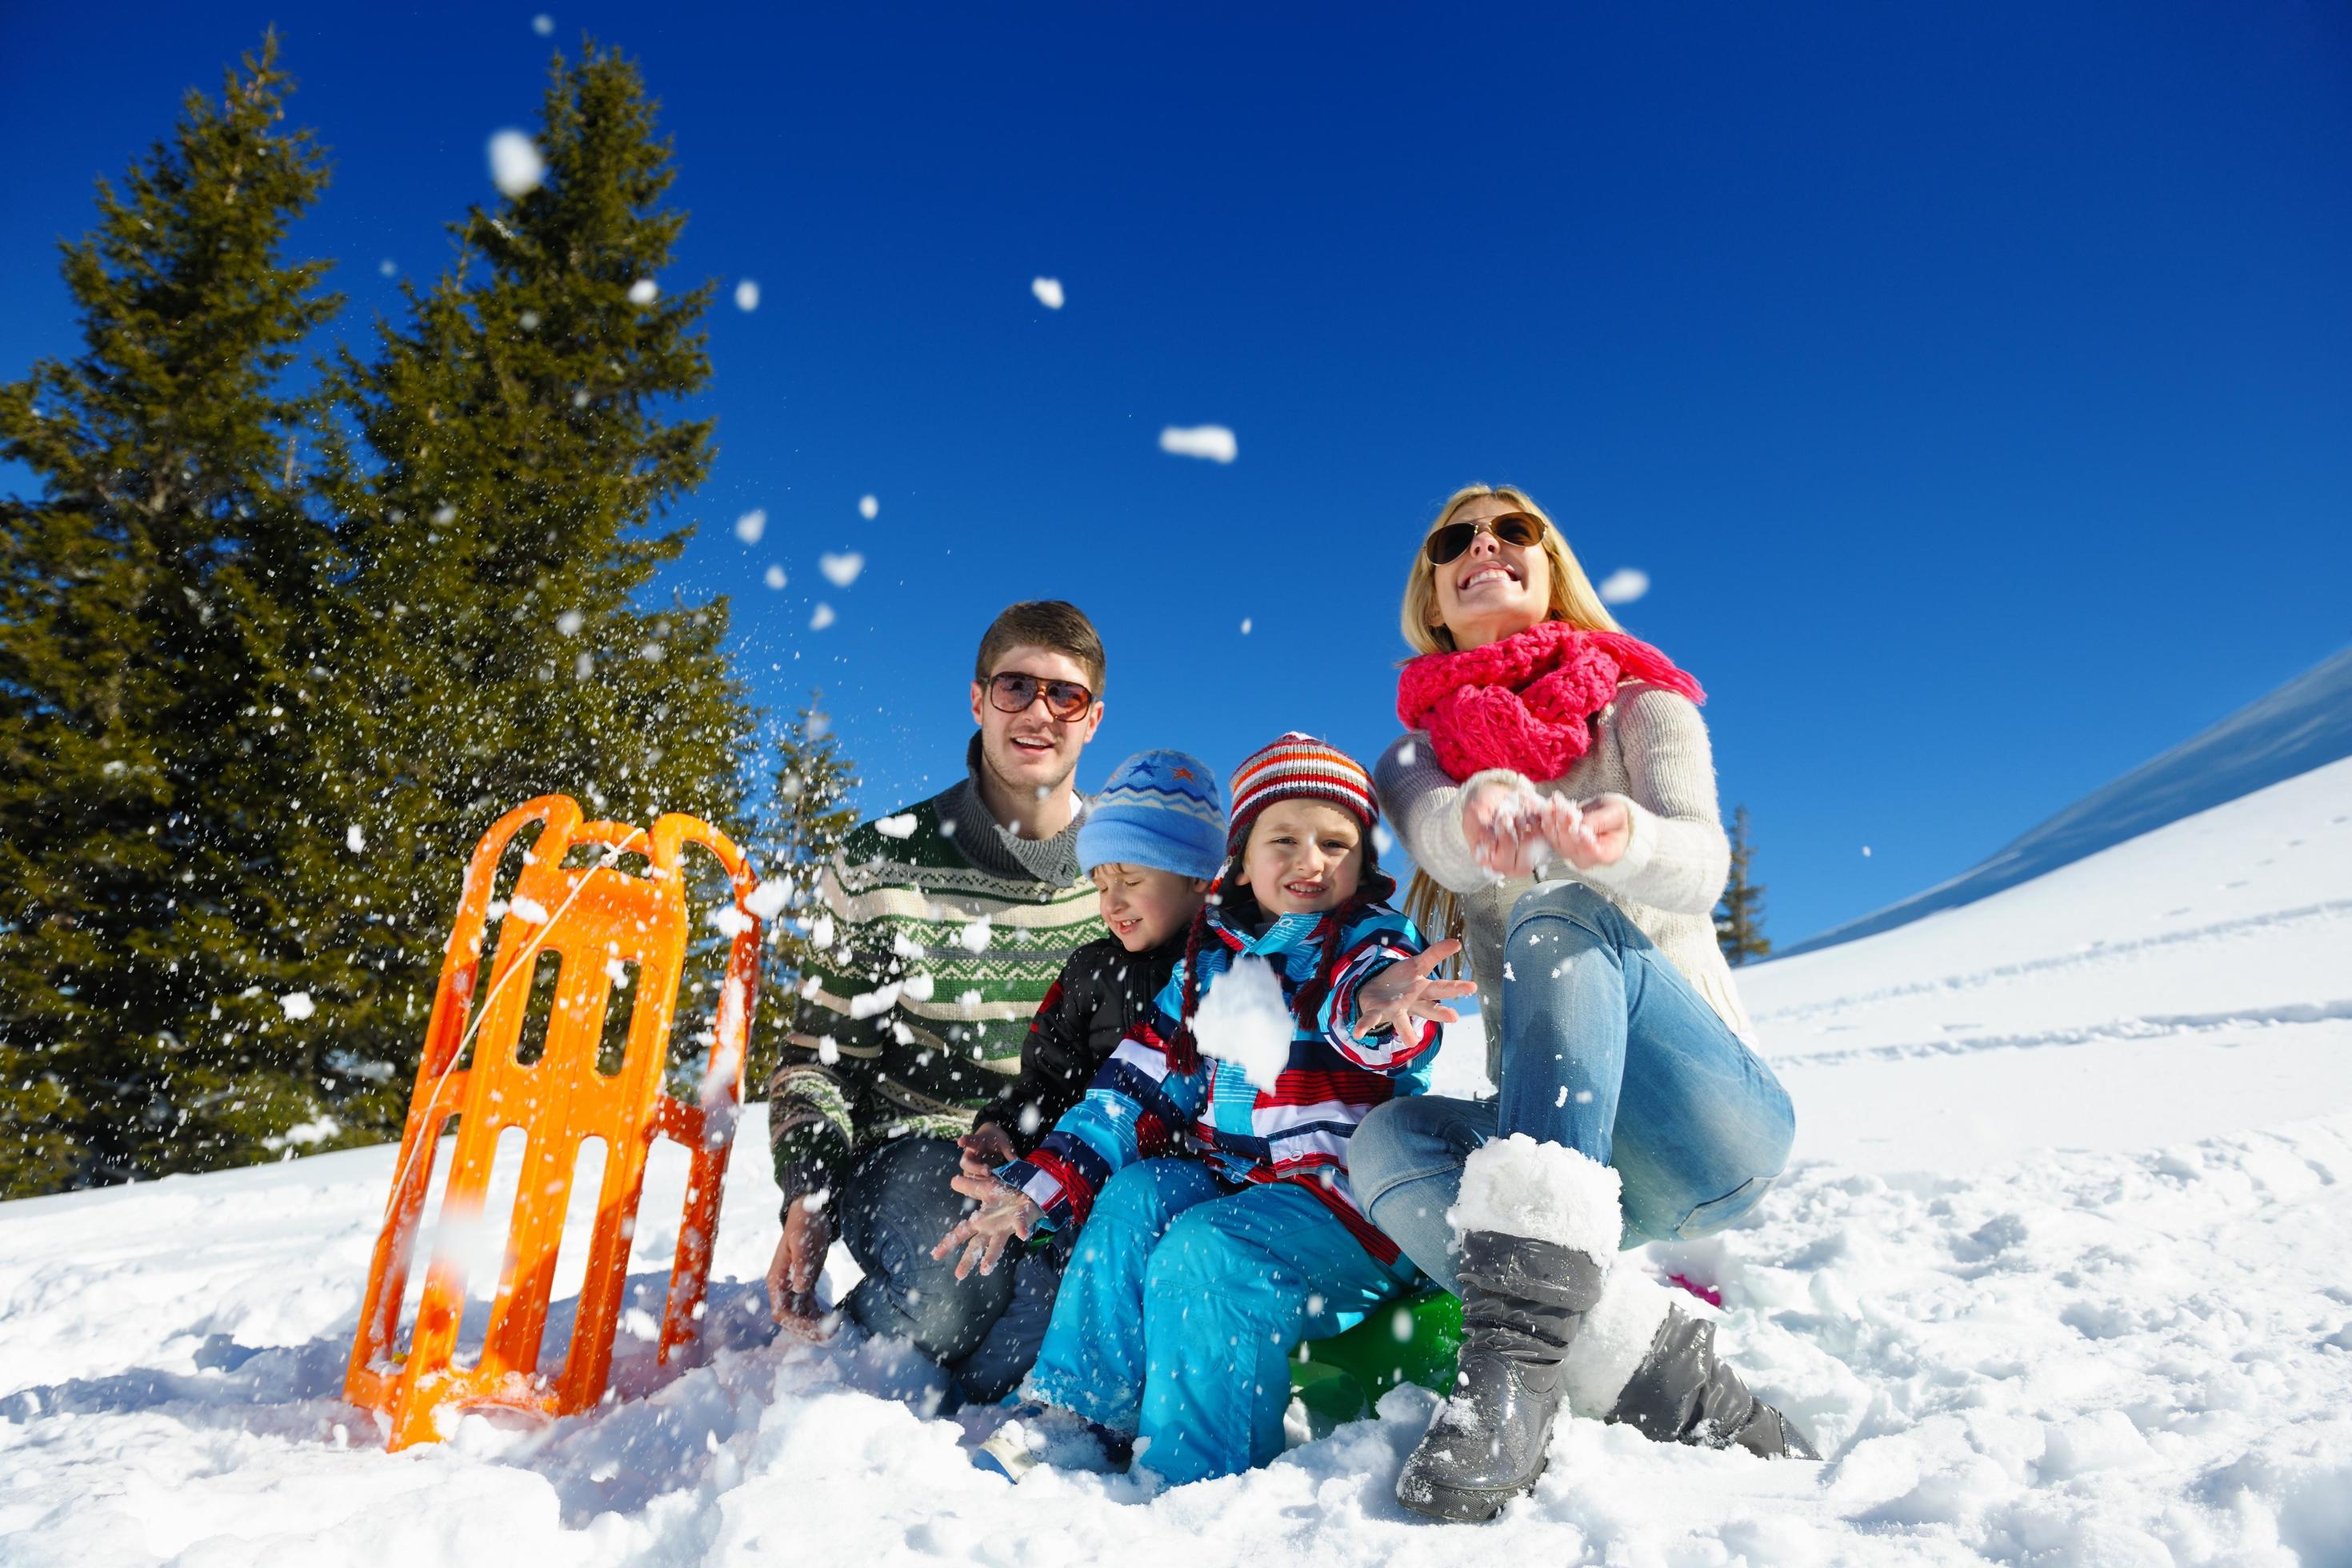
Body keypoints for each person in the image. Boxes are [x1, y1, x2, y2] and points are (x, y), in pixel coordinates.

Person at [1349, 484, 1813, 1524]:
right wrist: (1486, 806)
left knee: (1558, 914)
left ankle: (1508, 1376)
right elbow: (1434, 832)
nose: (1484, 547)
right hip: (1574, 1161)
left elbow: (1699, 862)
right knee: (1383, 1144)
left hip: (1701, 1117)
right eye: (1452, 538)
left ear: (1551, 562)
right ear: (1430, 587)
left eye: (1514, 531)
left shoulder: (1643, 704)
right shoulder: (1418, 754)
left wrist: (1626, 843)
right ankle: (1671, 1378)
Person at [937, 735, 1475, 1486]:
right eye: (1283, 839)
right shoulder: (1205, 967)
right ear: (1242, 859)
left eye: (1335, 842)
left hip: (1344, 1207)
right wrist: (1036, 1188)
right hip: (1238, 1183)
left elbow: (1375, 1014)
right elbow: (1129, 1090)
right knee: (1134, 1195)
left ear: (1361, 863)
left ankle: (1196, 1479)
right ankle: (1083, 1415)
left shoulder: (1368, 942)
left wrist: (1379, 1008)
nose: (1310, 860)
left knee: (1207, 1250)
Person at [763, 601, 1114, 1404]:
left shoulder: (1125, 876)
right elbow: (819, 1061)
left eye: (1063, 695)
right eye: (1015, 687)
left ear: (1092, 719)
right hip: (914, 1152)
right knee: (961, 1283)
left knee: (1074, 1302)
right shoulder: (882, 861)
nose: (1037, 712)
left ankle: (982, 1380)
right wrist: (808, 1196)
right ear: (978, 700)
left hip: (1067, 1161)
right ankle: (864, 1360)